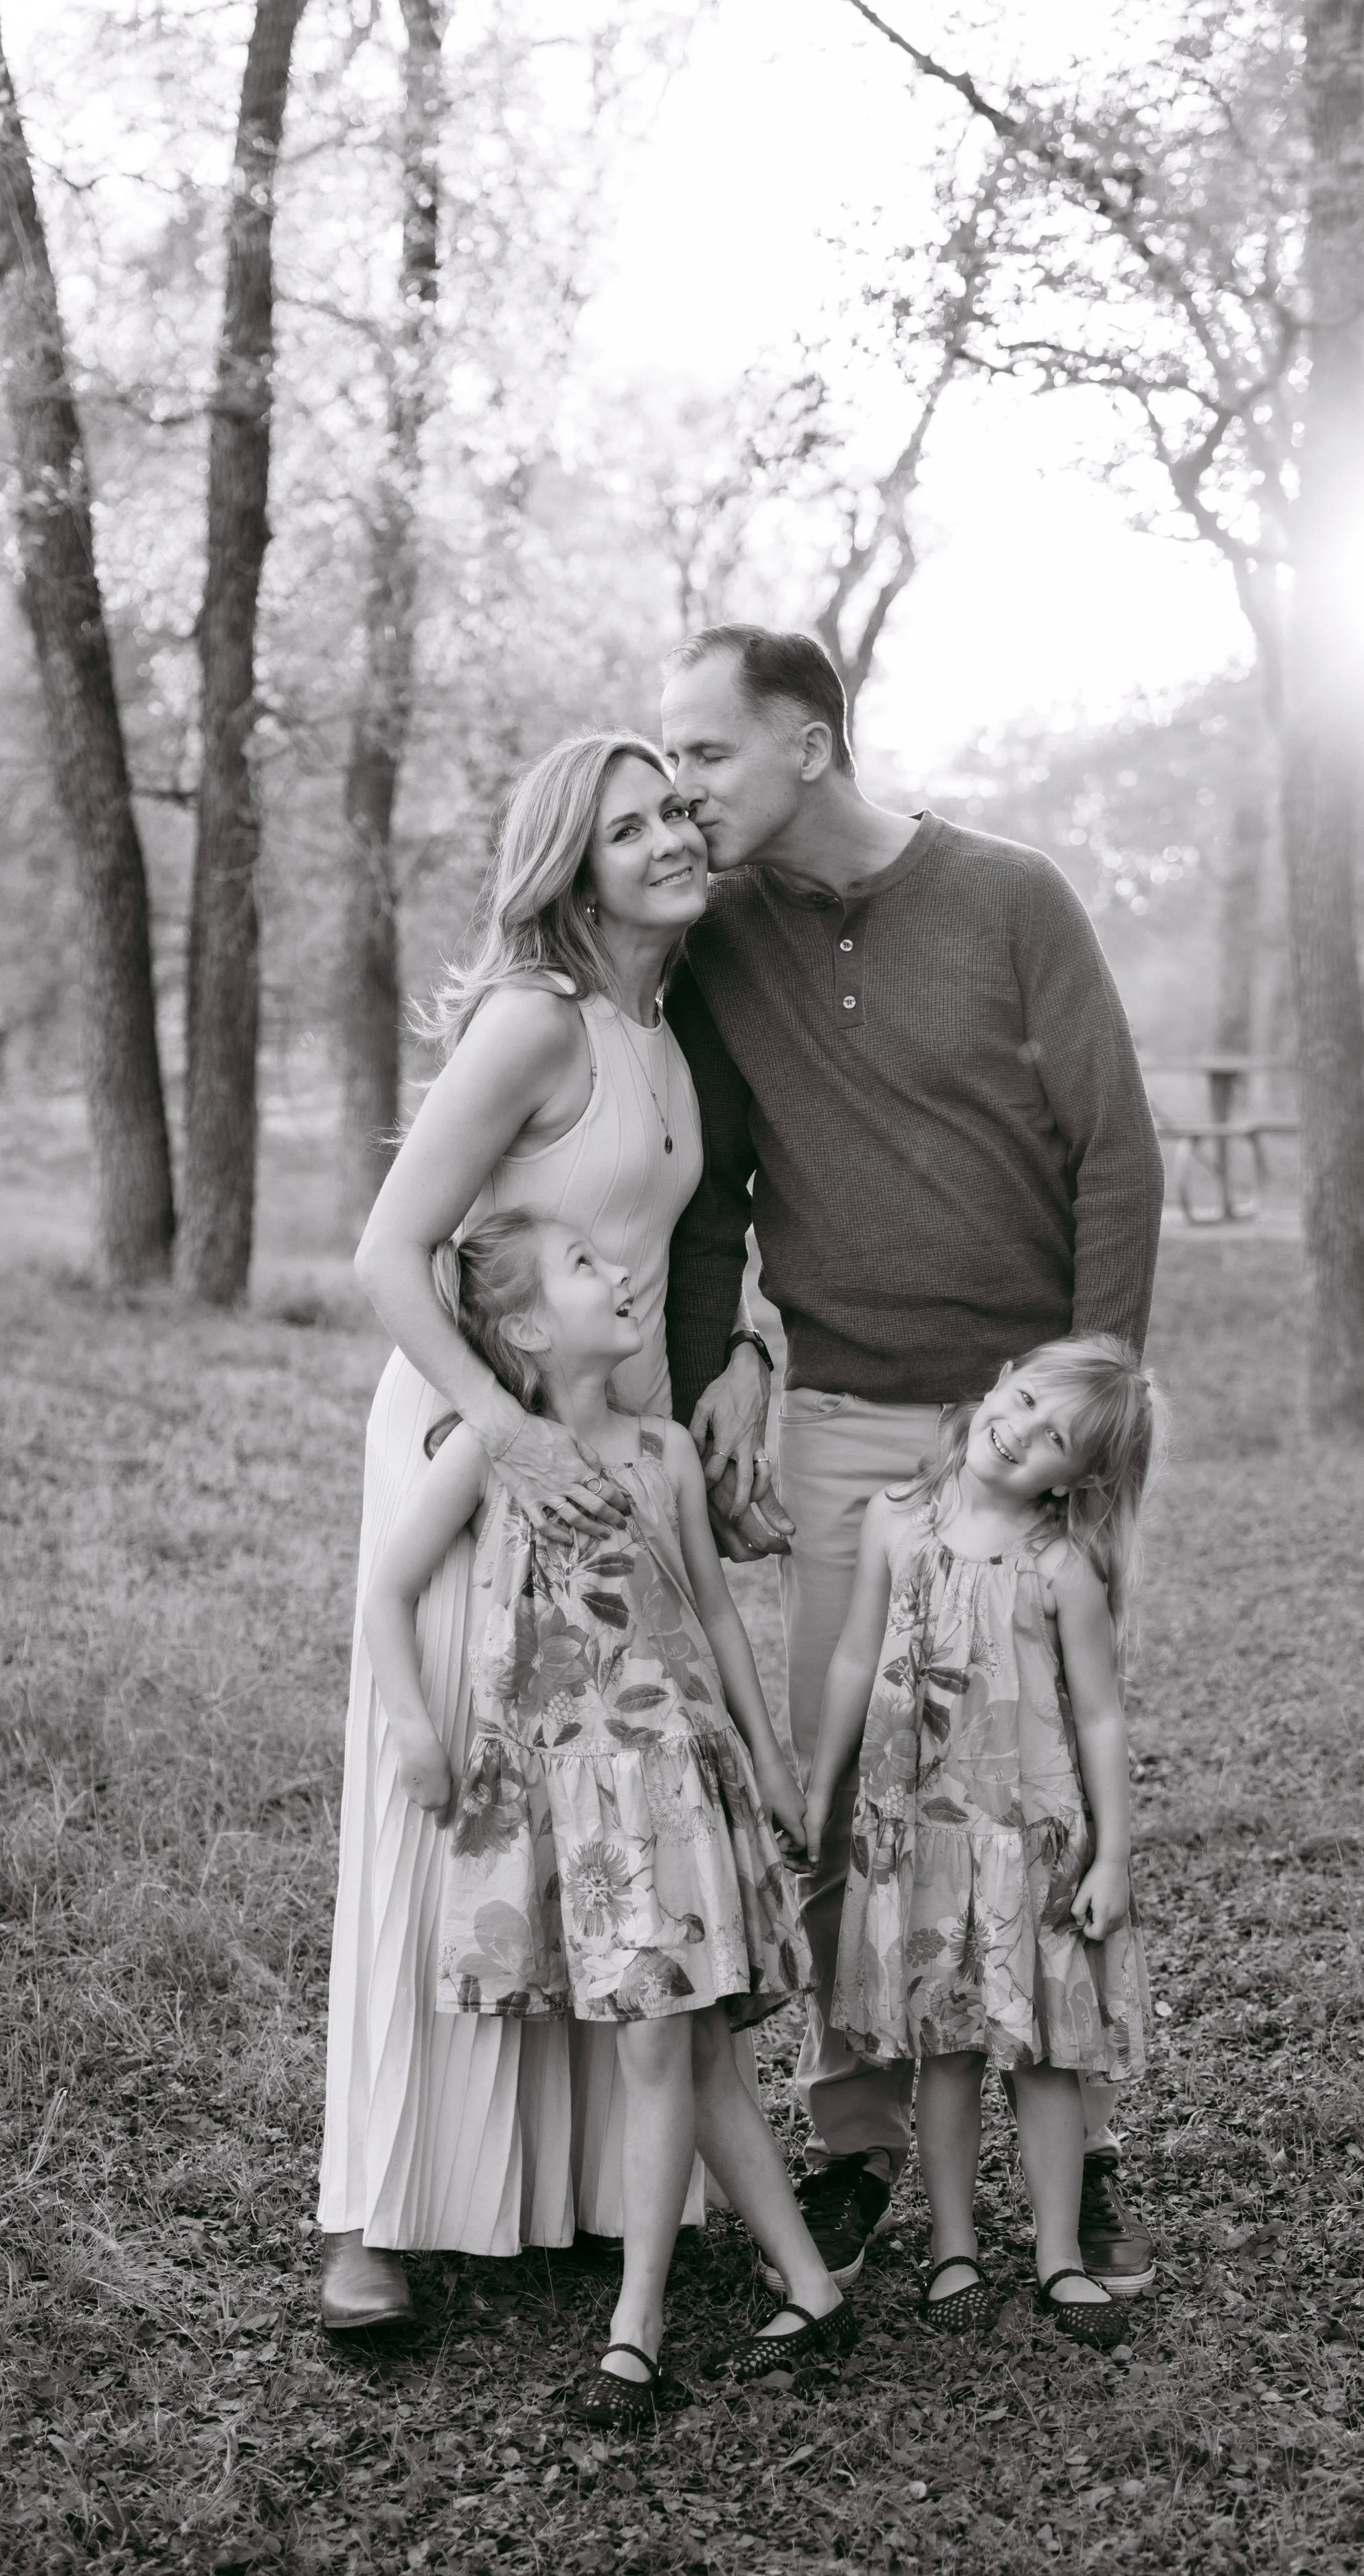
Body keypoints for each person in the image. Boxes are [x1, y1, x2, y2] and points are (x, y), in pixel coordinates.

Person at [661, 625, 1165, 2296]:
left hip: (1018, 1434)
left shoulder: (1009, 896)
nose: (681, 786)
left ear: (807, 744)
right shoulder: (716, 935)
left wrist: (1083, 1419)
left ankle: (1078, 2144)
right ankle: (860, 2135)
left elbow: (1113, 1153)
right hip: (847, 1427)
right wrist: (710, 1378)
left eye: (707, 751)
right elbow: (710, 1191)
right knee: (845, 1795)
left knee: (1041, 1793)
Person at [317, 729, 785, 2332]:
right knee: (448, 1797)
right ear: (570, 868)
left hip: (602, 1463)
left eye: (674, 813)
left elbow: (679, 1239)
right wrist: (502, 1431)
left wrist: (731, 1370)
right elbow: (387, 1253)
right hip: (475, 1438)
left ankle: (566, 2191)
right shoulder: (535, 1020)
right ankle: (374, 2216)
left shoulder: (666, 1025)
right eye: (626, 828)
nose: (668, 840)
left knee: (582, 1814)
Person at [362, 1209, 852, 2426]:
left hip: (676, 1786)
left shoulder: (662, 1452)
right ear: (529, 1328)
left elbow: (719, 1616)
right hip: (578, 1803)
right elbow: (386, 1587)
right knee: (687, 2048)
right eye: (584, 1265)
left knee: (671, 2044)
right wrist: (416, 1729)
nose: (620, 1271)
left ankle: (639, 2322)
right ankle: (806, 2284)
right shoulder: (494, 1454)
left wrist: (771, 1761)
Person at [803, 1336, 1159, 2343]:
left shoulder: (1063, 1566)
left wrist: (1113, 1856)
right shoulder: (896, 1519)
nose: (1022, 1432)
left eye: (1057, 1439)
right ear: (1000, 1378)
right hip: (920, 1838)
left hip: (1028, 1845)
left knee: (1043, 2057)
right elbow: (854, 1658)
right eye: (1028, 1399)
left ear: (1076, 1479)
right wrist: (822, 1785)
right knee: (947, 2051)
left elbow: (1101, 1717)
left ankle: (1057, 2255)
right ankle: (951, 2247)